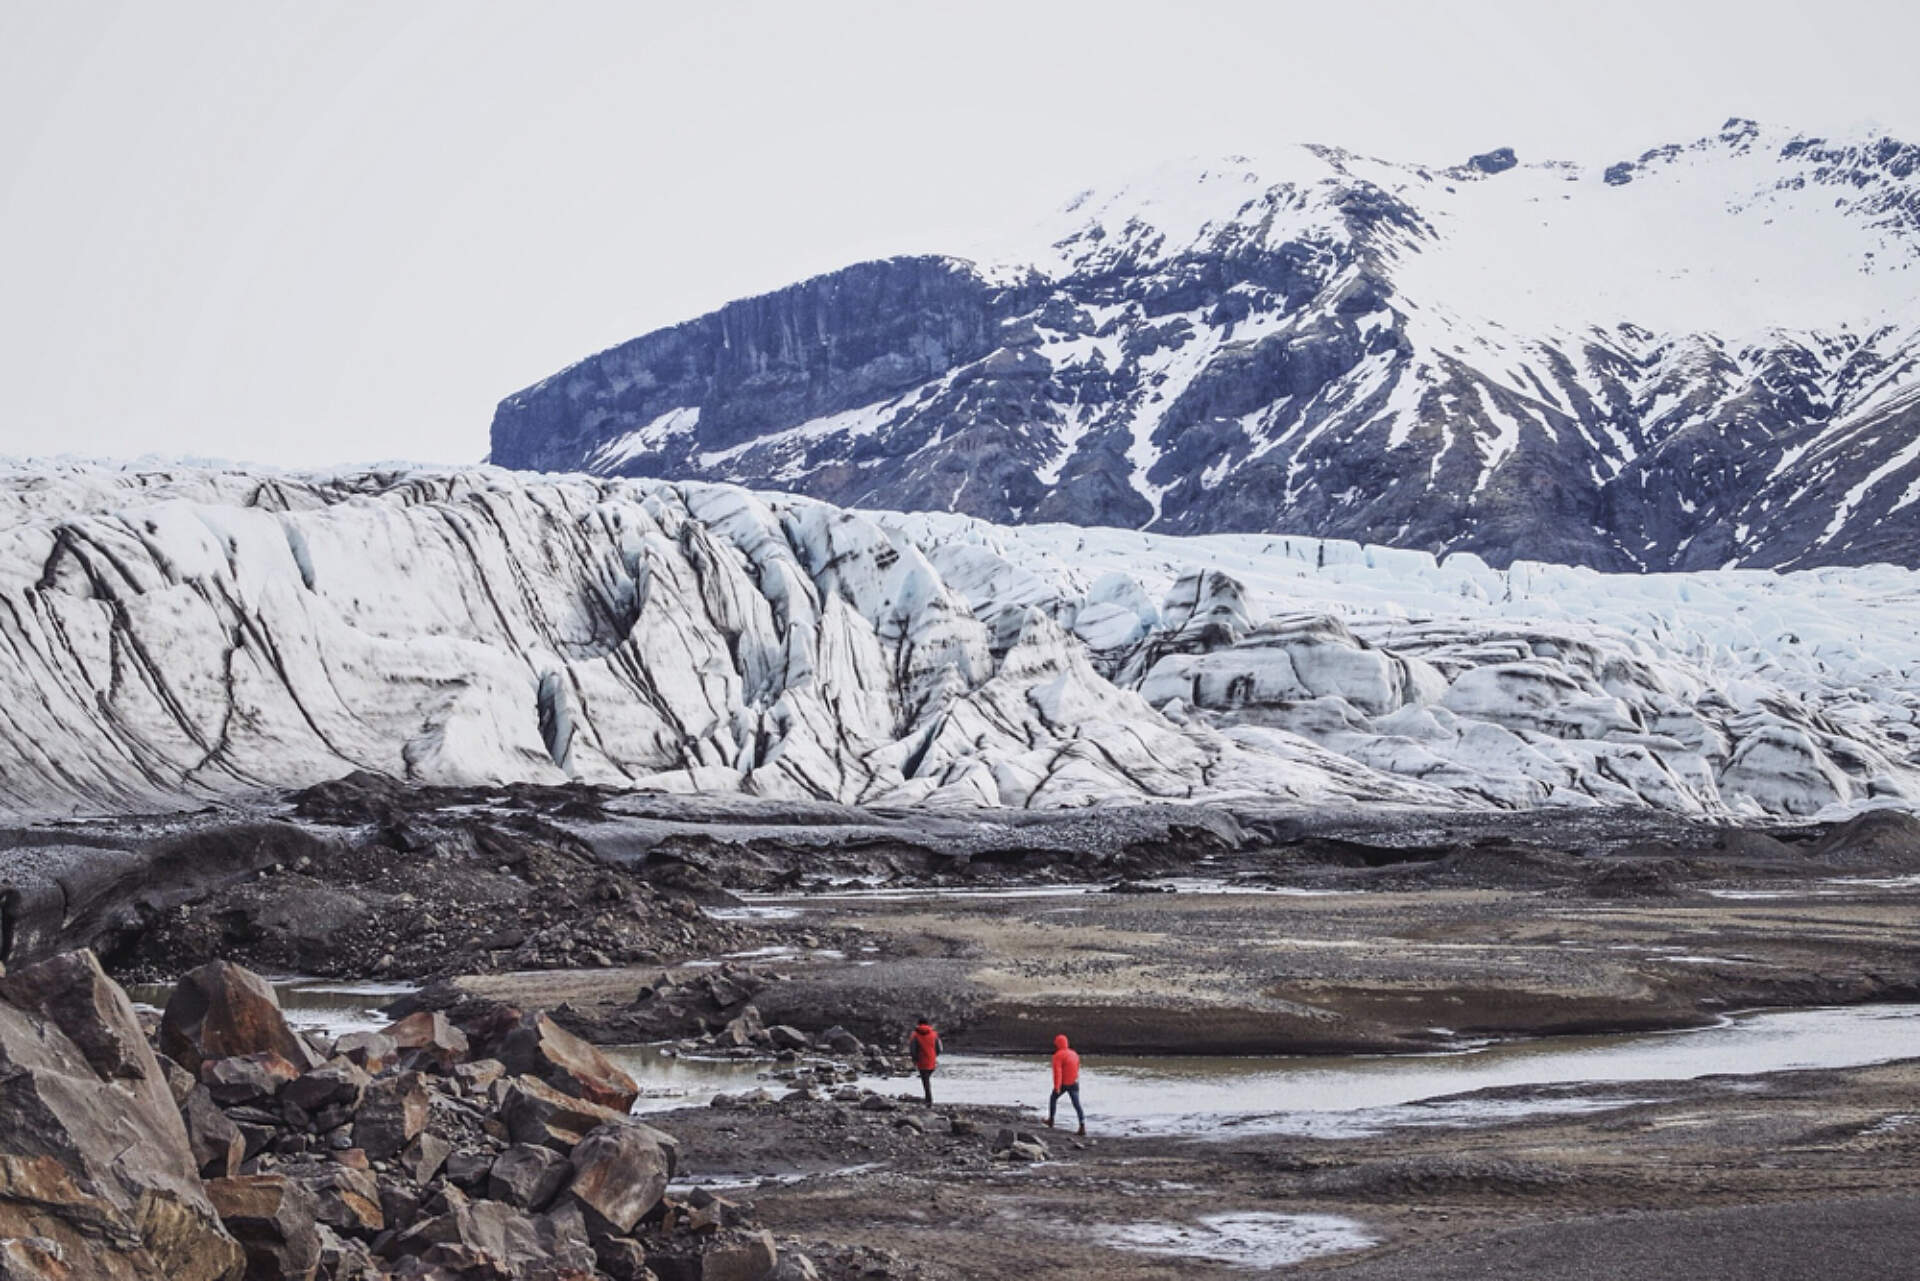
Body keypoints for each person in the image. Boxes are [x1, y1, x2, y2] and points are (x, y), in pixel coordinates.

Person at [1047, 1033, 1084, 1135]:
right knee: (1077, 1104)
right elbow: (1076, 1068)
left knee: (1053, 1098)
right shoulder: (1074, 1054)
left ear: (1058, 1044)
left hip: (1064, 1083)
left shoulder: (1058, 1056)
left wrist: (1057, 1087)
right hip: (1074, 1082)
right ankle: (1082, 1125)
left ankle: (1051, 1120)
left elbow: (1057, 1073)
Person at [907, 1017, 942, 1104]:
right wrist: (934, 1056)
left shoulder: (914, 1035)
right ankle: (928, 1099)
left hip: (921, 1061)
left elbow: (913, 1049)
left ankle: (928, 1099)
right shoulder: (934, 1034)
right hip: (931, 1060)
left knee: (925, 1081)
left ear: (918, 1024)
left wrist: (915, 1059)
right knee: (926, 1080)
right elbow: (940, 1048)